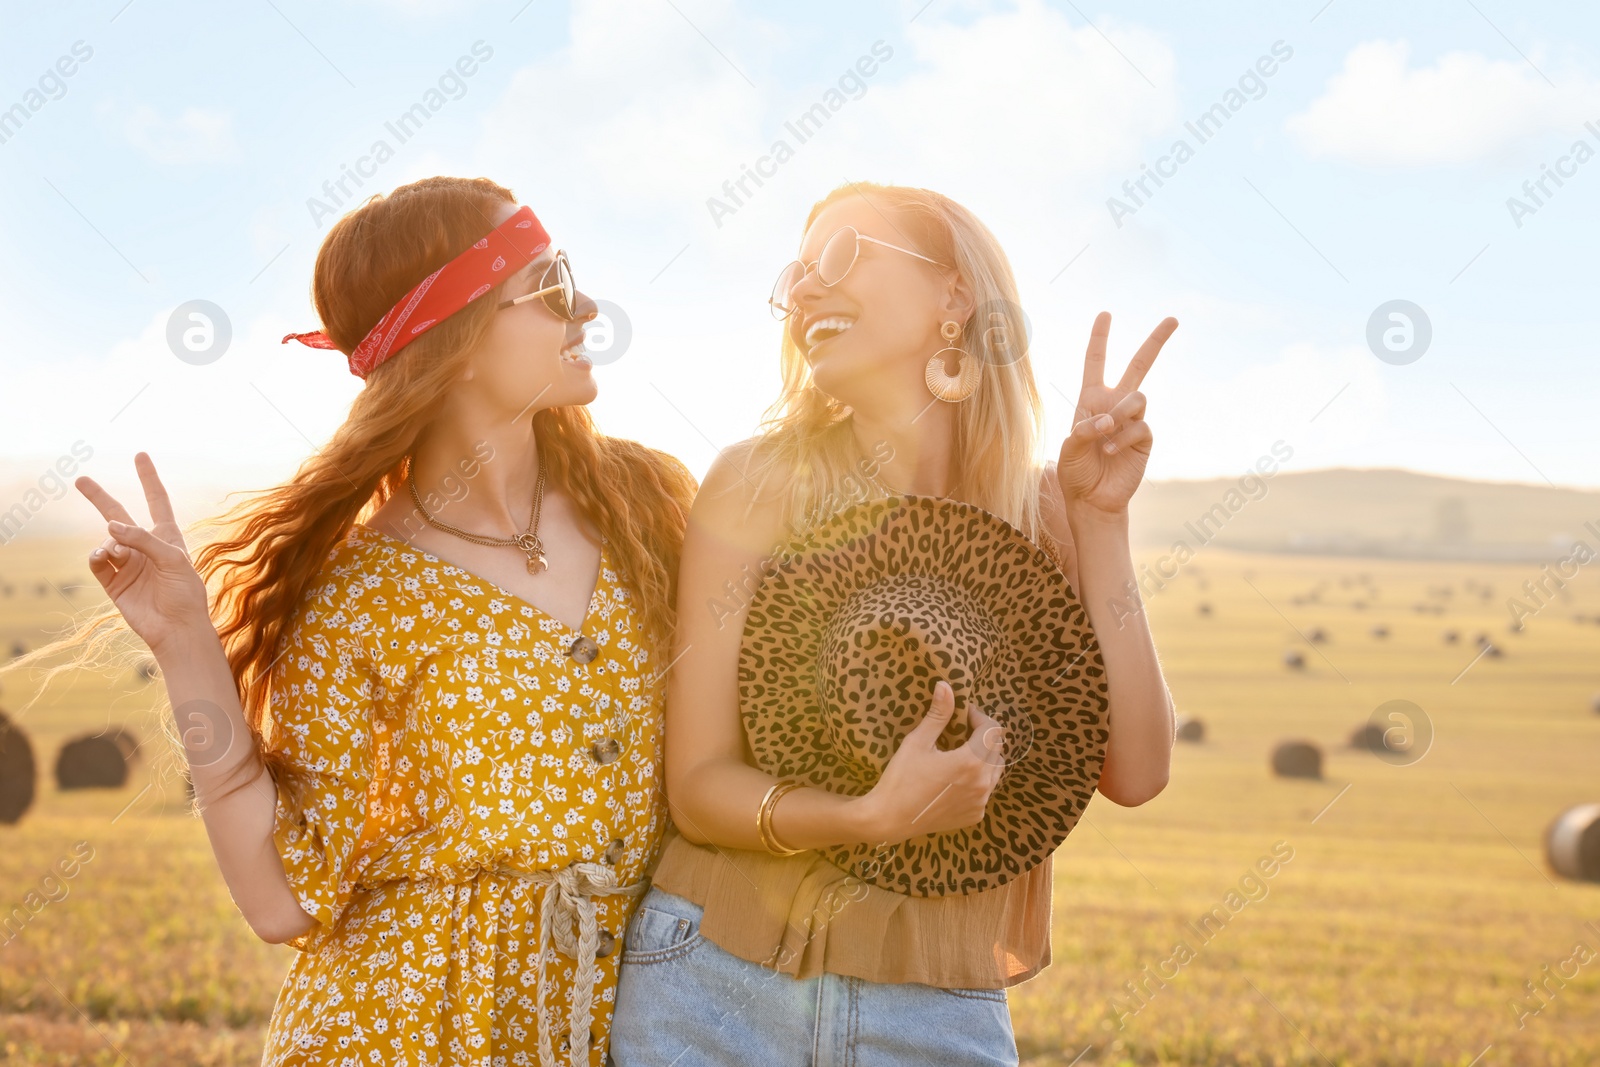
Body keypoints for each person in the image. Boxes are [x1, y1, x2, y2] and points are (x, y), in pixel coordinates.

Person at [37, 176, 696, 1067]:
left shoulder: (646, 501)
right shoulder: (356, 596)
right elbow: (282, 901)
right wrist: (185, 641)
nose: (584, 305)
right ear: (454, 340)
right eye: (547, 284)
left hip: (632, 1021)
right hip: (407, 1031)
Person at [610, 182, 1178, 1066]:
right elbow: (699, 784)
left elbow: (1136, 771)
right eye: (794, 276)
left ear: (954, 295)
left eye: (839, 257)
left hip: (936, 1013)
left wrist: (1100, 521)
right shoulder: (757, 484)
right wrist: (868, 816)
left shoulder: (1042, 515)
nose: (802, 292)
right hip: (713, 983)